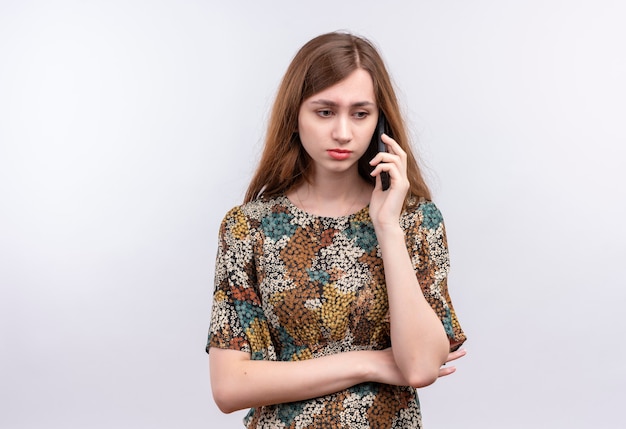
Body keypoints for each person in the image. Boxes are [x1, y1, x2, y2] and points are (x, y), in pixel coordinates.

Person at [206, 31, 467, 428]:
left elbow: (419, 368)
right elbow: (230, 387)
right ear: (295, 115)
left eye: (360, 113)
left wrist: (387, 227)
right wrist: (370, 363)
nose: (343, 132)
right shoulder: (248, 228)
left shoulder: (414, 220)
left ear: (379, 119)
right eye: (325, 111)